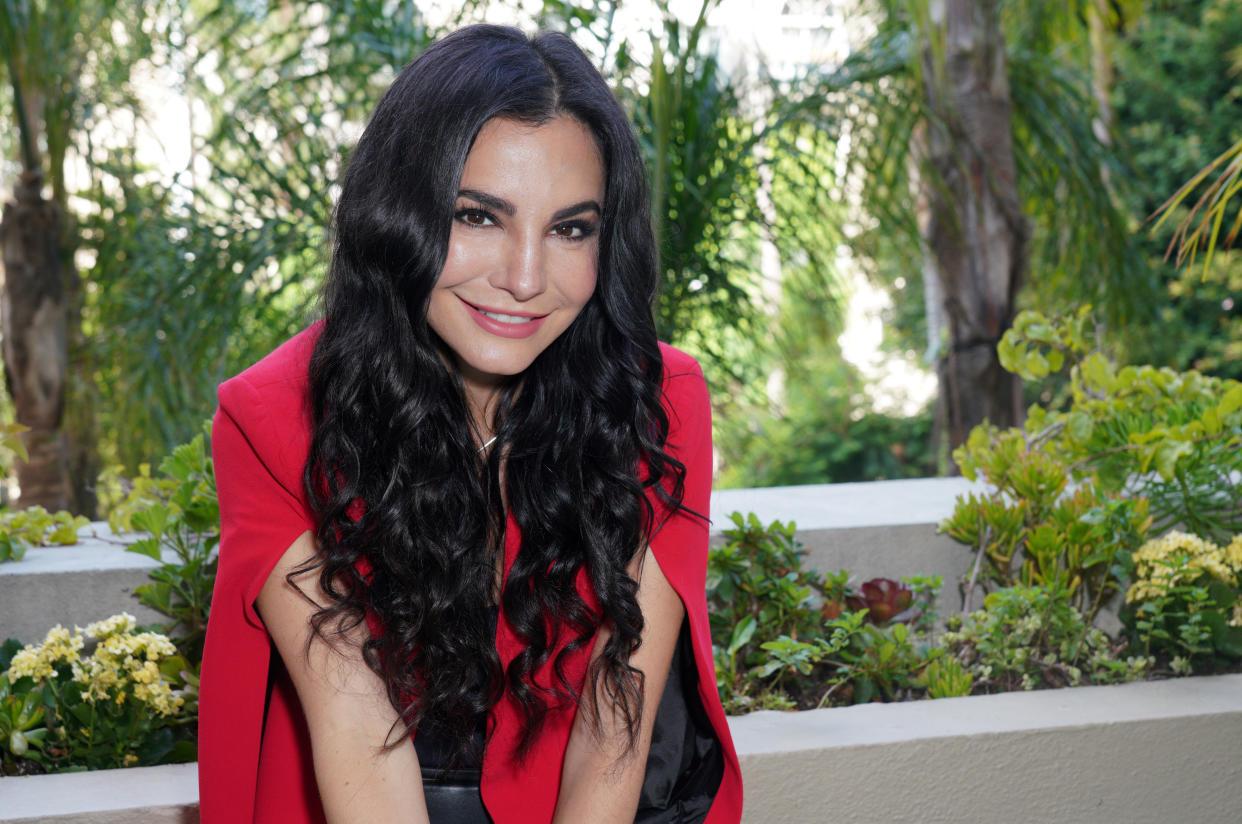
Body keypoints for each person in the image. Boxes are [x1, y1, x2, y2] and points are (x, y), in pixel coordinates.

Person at [197, 24, 743, 824]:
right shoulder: (272, 419)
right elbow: (357, 732)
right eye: (478, 216)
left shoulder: (657, 401)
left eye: (570, 229)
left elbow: (614, 721)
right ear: (401, 215)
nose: (524, 278)